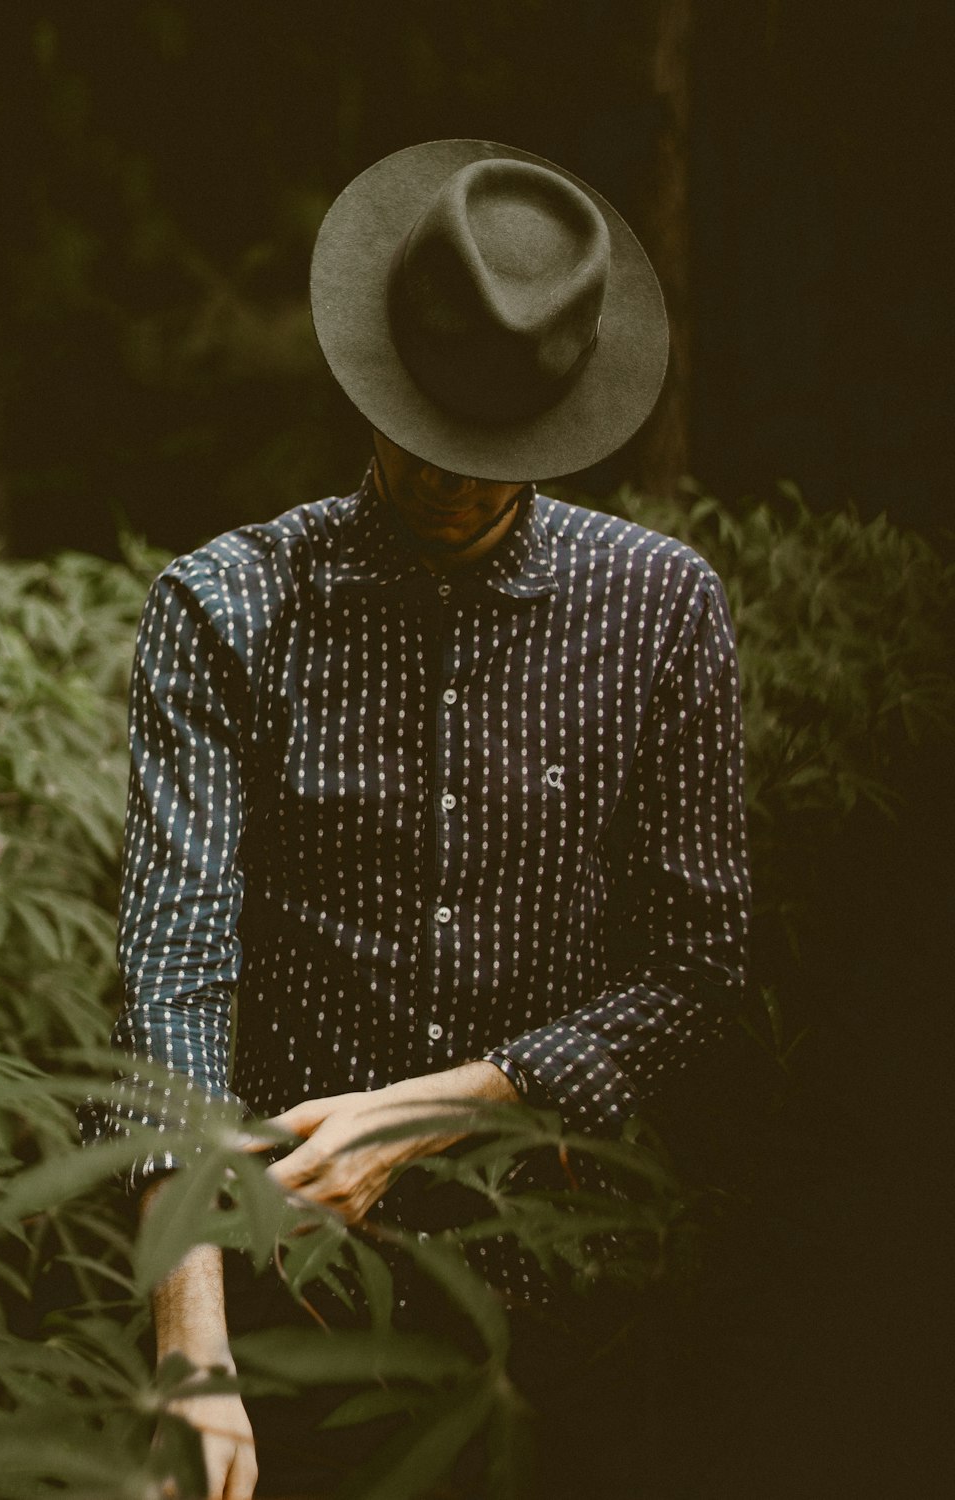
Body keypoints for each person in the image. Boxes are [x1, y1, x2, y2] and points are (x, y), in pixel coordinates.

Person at [85, 140, 750, 1498]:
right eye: (426, 431)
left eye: (491, 452)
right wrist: (193, 1346)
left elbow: (699, 974)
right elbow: (173, 979)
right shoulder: (226, 609)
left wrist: (438, 1110)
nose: (451, 479)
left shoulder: (662, 609)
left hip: (573, 1301)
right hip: (286, 1288)